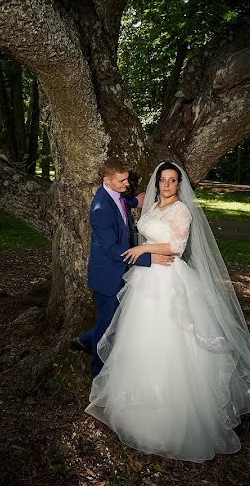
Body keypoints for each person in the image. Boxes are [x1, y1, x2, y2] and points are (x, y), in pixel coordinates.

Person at [85, 161, 250, 462]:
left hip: (169, 277)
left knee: (173, 339)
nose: (168, 185)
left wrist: (144, 250)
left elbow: (176, 245)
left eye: (173, 181)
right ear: (157, 183)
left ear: (179, 184)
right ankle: (134, 409)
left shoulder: (182, 211)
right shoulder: (152, 206)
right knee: (139, 338)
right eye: (163, 180)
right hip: (146, 280)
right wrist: (142, 235)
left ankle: (173, 420)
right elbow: (132, 210)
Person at [70, 157, 174, 377]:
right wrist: (149, 259)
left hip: (123, 270)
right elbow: (111, 250)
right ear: (107, 180)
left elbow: (120, 203)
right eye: (122, 181)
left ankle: (83, 340)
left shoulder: (114, 196)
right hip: (108, 275)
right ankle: (97, 371)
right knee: (107, 324)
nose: (127, 184)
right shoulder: (100, 208)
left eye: (126, 179)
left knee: (120, 317)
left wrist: (133, 202)